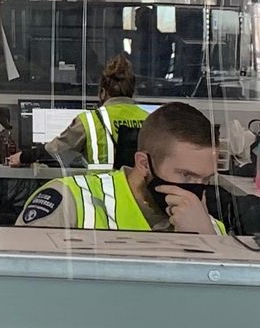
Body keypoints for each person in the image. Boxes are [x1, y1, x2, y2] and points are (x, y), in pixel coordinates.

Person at [17, 100, 222, 233]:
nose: (197, 189)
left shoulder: (208, 227)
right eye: (185, 175)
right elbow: (21, 284)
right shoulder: (70, 201)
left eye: (206, 179)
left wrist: (205, 241)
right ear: (144, 164)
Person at [36, 54, 148, 171]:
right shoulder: (150, 120)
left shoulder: (90, 120)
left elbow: (56, 150)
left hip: (101, 188)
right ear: (133, 91)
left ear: (103, 92)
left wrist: (26, 156)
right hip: (140, 189)